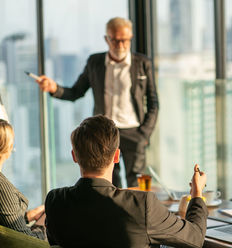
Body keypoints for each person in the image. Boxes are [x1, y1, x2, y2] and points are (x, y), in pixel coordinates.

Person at [44, 115, 207, 248]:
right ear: (116, 156)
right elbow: (196, 237)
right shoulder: (141, 205)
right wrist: (197, 194)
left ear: (75, 156)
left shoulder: (55, 201)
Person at [36, 17, 159, 188]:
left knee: (135, 183)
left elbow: (153, 102)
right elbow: (76, 92)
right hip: (105, 133)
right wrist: (54, 88)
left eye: (125, 40)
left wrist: (144, 134)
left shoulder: (142, 63)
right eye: (115, 40)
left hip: (134, 132)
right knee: (107, 183)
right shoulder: (95, 62)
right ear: (107, 39)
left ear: (130, 38)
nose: (120, 45)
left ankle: (134, 215)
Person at [0, 119, 45, 240]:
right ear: (8, 148)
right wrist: (43, 224)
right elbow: (26, 240)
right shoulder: (0, 187)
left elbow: (0, 218)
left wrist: (27, 216)